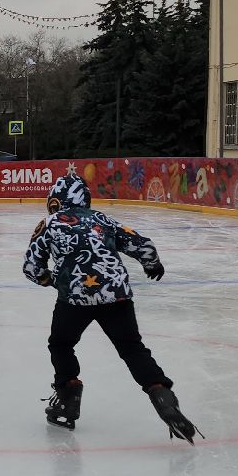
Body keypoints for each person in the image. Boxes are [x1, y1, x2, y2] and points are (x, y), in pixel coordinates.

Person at [23, 174, 200, 442]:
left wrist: (51, 280)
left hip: (75, 298)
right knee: (132, 349)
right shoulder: (102, 219)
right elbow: (142, 244)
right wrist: (152, 264)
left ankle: (68, 397)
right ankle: (162, 396)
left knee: (61, 344)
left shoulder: (49, 223)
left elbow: (31, 267)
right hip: (116, 294)